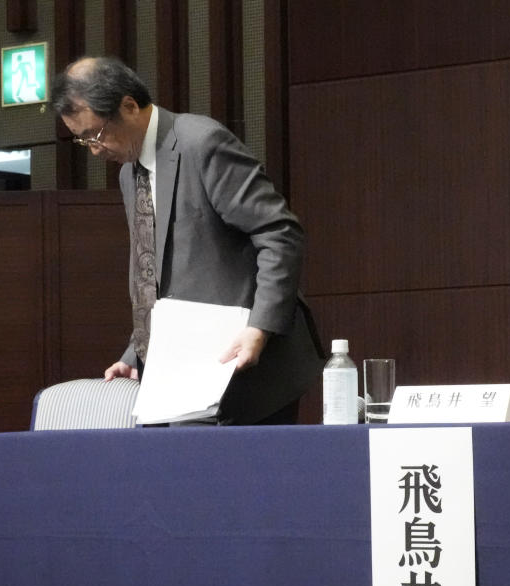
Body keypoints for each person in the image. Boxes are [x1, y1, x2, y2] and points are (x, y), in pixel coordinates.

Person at [52, 57, 324, 425]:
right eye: (83, 141)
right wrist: (138, 353)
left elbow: (279, 234)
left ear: (129, 106)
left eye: (96, 135)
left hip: (247, 368)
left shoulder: (201, 143)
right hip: (182, 375)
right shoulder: (129, 173)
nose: (95, 149)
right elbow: (153, 272)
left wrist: (259, 329)